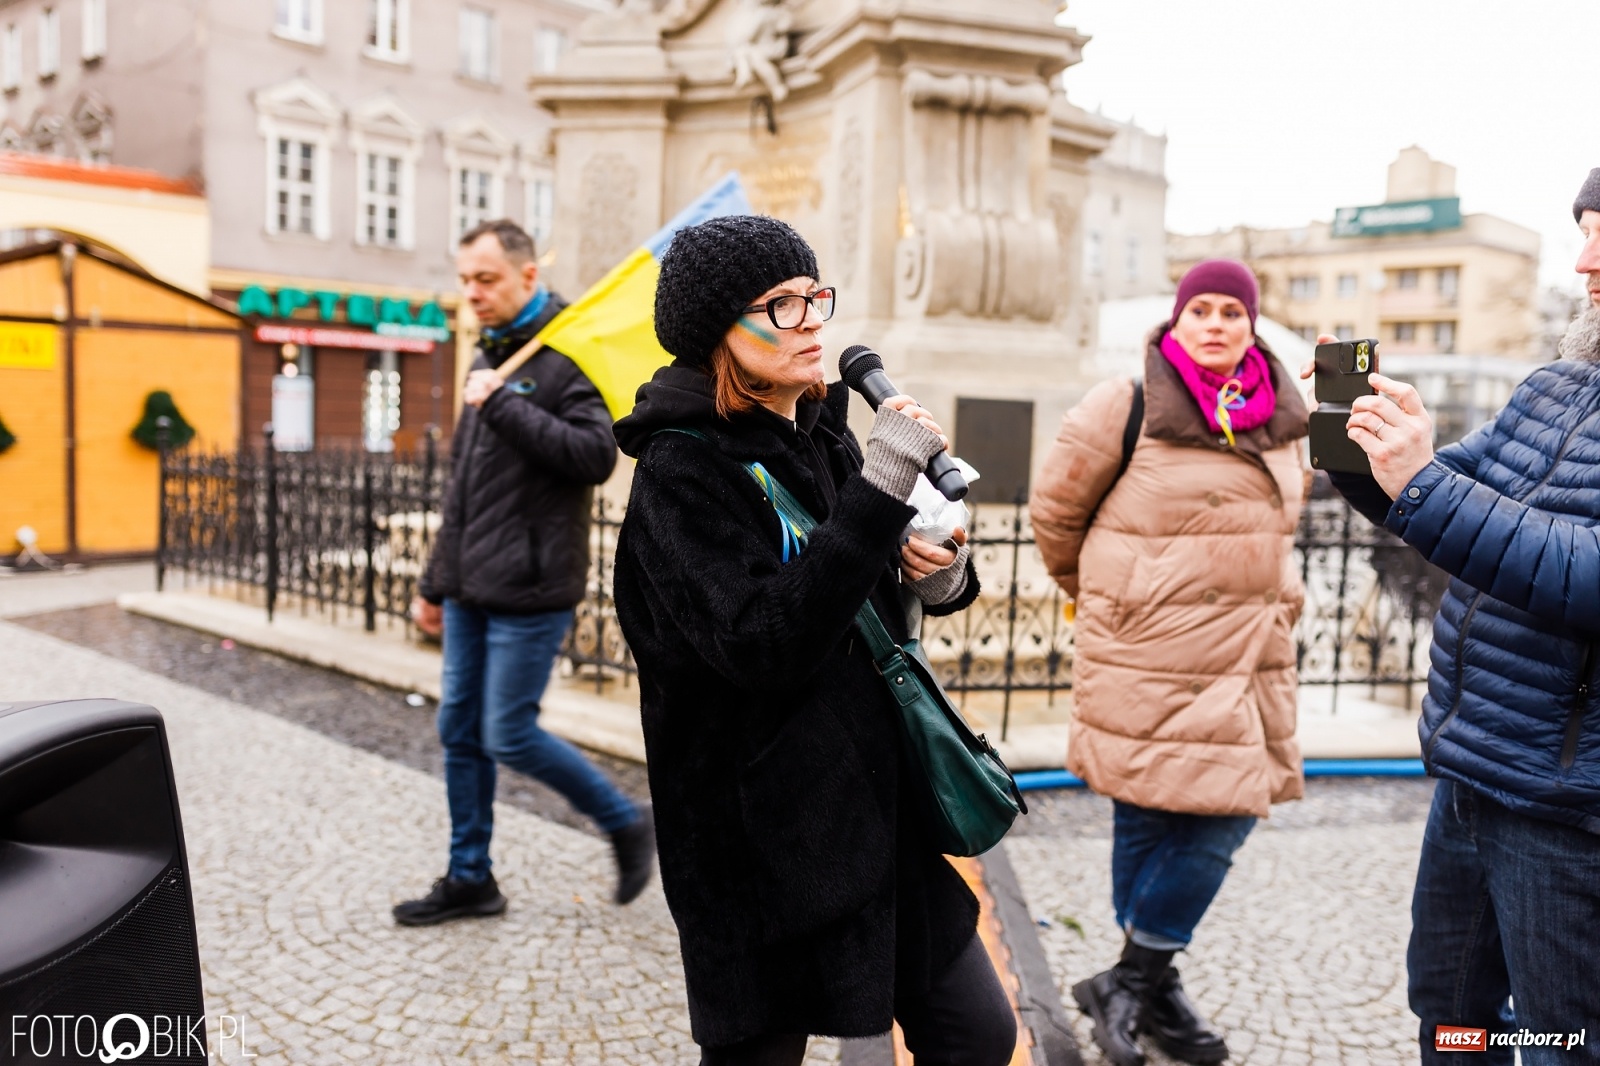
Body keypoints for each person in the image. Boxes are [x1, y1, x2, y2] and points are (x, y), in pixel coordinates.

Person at [609, 214, 1016, 1065]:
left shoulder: (820, 429)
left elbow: (856, 593)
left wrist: (936, 576)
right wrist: (880, 490)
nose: (811, 322)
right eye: (780, 306)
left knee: (977, 1035)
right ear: (716, 331)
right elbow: (764, 643)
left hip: (870, 805)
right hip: (755, 836)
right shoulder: (680, 471)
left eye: (813, 297)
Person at [1311, 171, 1600, 1066]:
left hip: (1567, 811)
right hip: (1472, 771)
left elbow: (1584, 572)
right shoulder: (1554, 387)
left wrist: (1421, 480)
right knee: (1450, 1014)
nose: (1584, 262)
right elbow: (1429, 500)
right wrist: (1354, 432)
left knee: (1561, 1040)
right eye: (1584, 232)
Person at [1030, 259, 1310, 1066]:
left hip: (1245, 655)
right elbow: (1055, 515)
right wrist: (1116, 600)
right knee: (1147, 813)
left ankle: (1132, 979)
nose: (1216, 324)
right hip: (1147, 650)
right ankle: (1154, 985)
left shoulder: (1287, 419)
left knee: (1225, 815)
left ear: (1252, 325)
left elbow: (1292, 522)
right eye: (1202, 310)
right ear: (1177, 321)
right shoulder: (1125, 404)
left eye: (1232, 311)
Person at [394, 219, 655, 926]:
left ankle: (625, 820)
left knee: (507, 732)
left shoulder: (568, 352)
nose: (472, 293)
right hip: (470, 586)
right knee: (459, 728)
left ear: (528, 276)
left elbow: (595, 456)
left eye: (486, 279)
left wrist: (503, 403)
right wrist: (433, 585)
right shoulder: (492, 351)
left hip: (533, 587)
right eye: (465, 281)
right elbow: (463, 489)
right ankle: (470, 876)